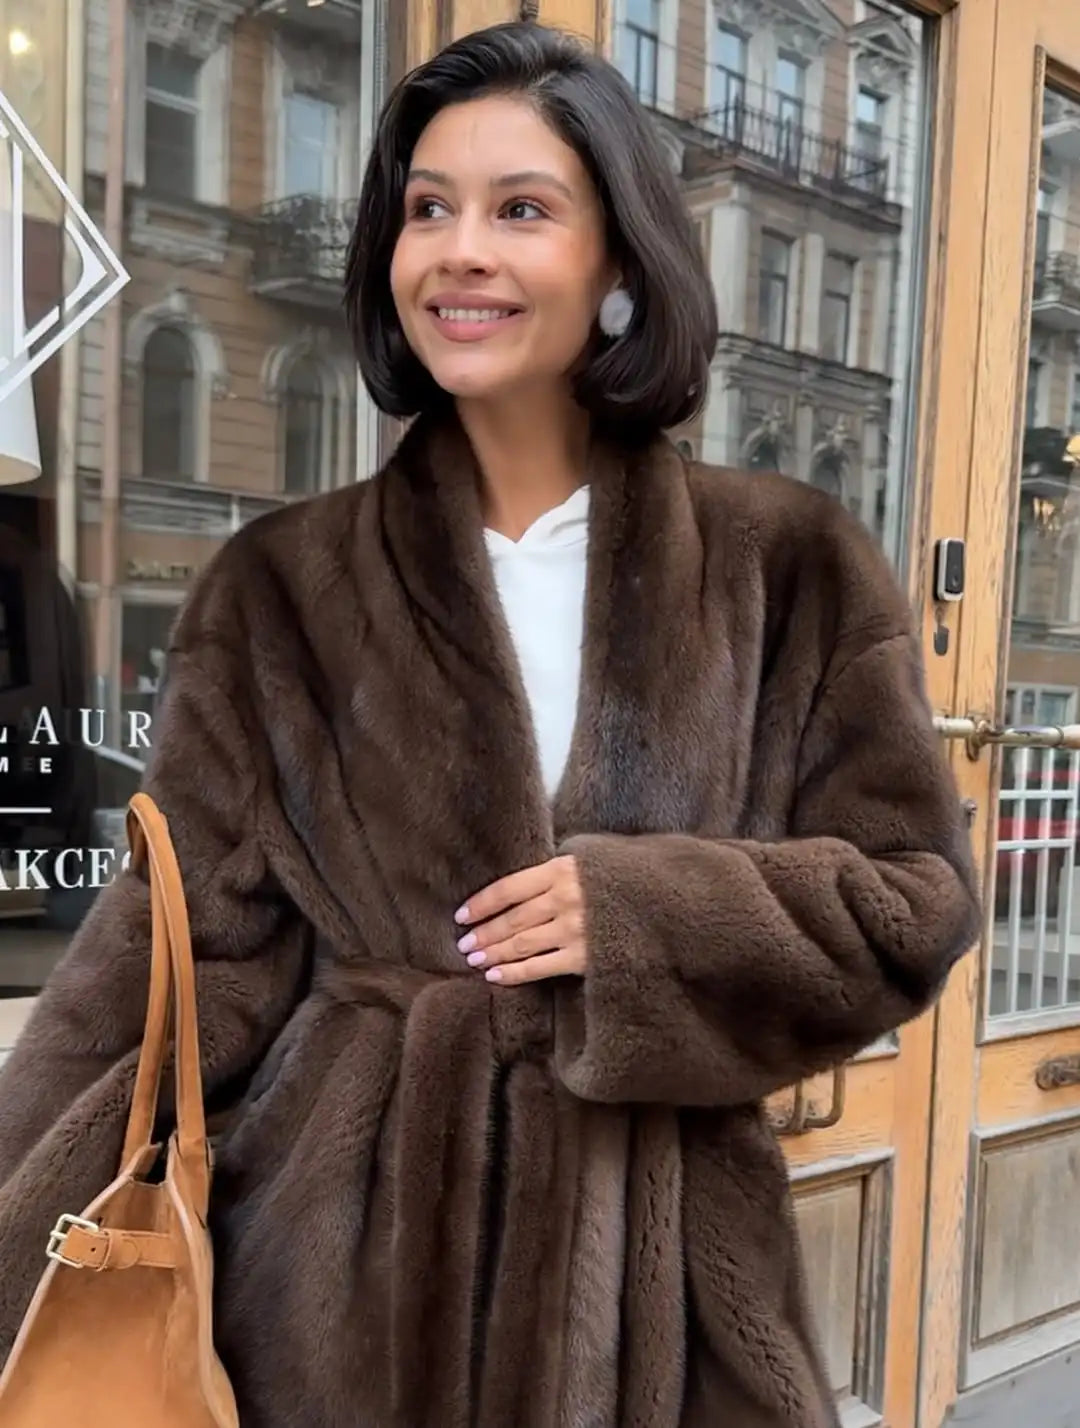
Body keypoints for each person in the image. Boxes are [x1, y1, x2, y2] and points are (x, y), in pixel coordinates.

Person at [0, 21, 980, 1428]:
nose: (460, 252)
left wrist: (647, 918)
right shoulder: (283, 587)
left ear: (621, 262)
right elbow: (174, 963)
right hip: (339, 1297)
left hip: (662, 1286)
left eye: (522, 209)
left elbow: (910, 898)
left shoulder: (788, 565)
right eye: (427, 209)